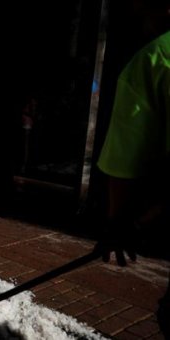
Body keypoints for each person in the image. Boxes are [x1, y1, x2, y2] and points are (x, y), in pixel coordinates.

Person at [96, 0, 169, 334]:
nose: (141, 21)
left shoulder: (153, 60)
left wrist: (118, 223)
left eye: (145, 10)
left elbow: (123, 163)